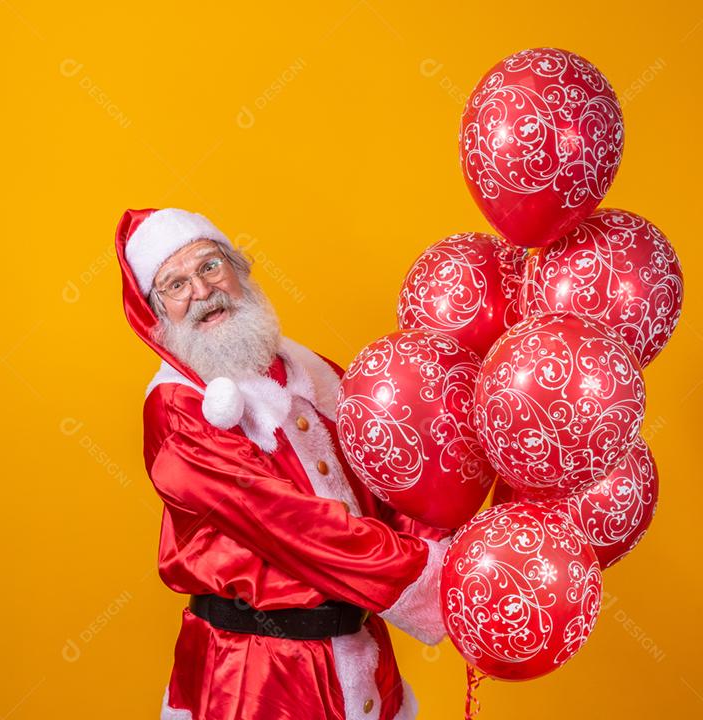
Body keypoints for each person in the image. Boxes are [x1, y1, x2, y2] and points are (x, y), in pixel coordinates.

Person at [115, 208, 451, 720]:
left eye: (209, 266)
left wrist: (448, 548)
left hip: (361, 657)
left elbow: (385, 477)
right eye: (175, 285)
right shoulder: (177, 408)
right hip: (259, 675)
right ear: (157, 314)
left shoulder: (311, 371)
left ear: (238, 268)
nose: (202, 292)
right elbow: (292, 525)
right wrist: (425, 576)